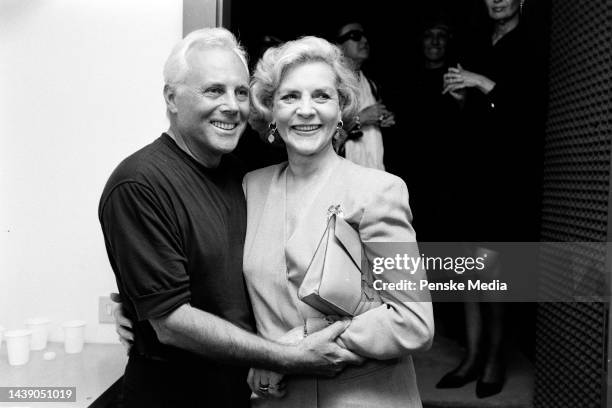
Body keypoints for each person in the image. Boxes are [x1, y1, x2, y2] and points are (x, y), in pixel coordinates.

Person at [99, 28, 364, 408]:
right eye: (213, 91)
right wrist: (284, 355)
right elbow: (171, 321)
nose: (232, 105)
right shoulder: (138, 183)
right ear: (171, 98)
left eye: (240, 92)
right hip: (175, 396)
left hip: (246, 391)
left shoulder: (242, 176)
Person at [244, 35, 434, 407]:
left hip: (363, 397)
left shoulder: (380, 191)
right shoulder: (252, 188)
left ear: (341, 107)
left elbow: (413, 321)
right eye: (290, 96)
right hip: (278, 400)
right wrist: (135, 311)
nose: (306, 110)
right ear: (270, 110)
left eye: (321, 96)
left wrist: (295, 345)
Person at [438, 0, 546, 398]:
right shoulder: (479, 43)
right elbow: (475, 112)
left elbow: (530, 112)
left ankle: (496, 359)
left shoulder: (532, 45)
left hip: (507, 173)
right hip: (472, 167)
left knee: (492, 269)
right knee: (467, 264)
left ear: (522, 1)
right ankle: (472, 357)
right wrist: (460, 96)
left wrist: (481, 83)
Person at [334, 21, 395, 170]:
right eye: (355, 36)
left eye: (364, 36)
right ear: (338, 46)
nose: (364, 41)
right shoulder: (330, 83)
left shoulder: (372, 83)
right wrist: (359, 119)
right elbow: (322, 136)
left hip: (375, 171)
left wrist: (384, 120)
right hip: (343, 176)